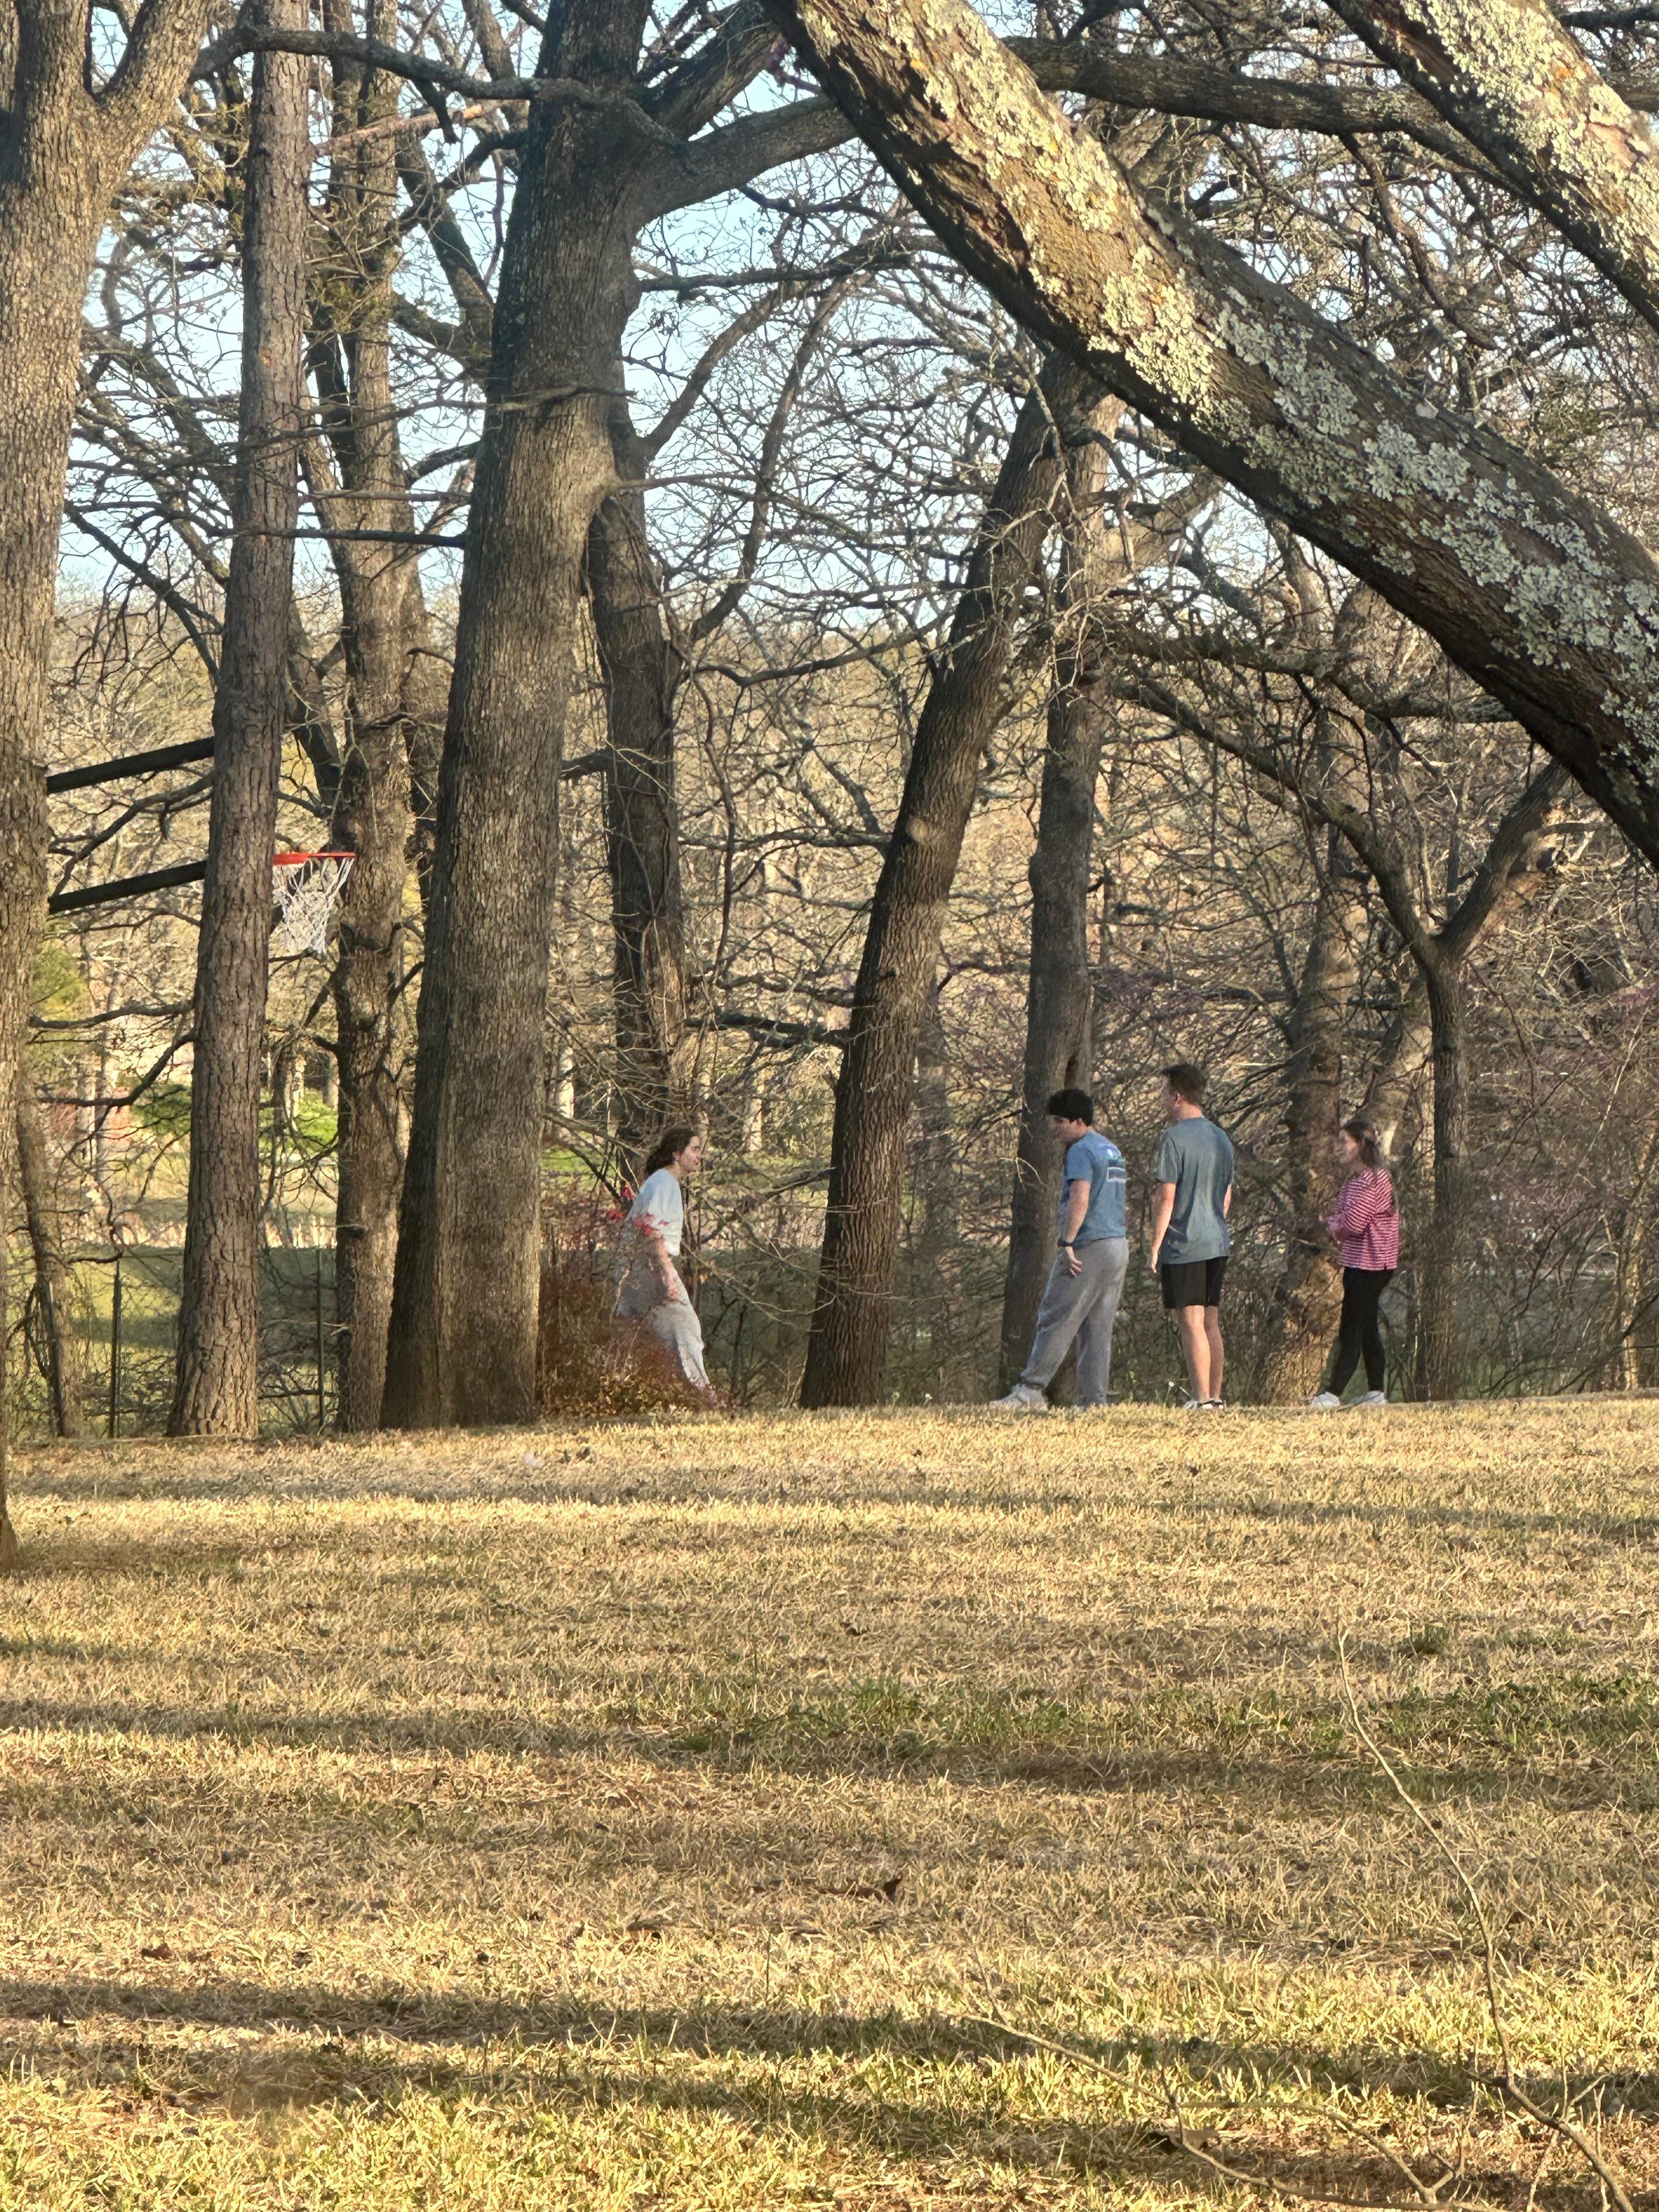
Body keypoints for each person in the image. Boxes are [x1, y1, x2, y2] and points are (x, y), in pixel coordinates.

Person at [992, 1088, 1129, 1411]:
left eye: (1059, 1121)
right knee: (1098, 1325)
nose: (1053, 1128)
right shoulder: (1112, 1150)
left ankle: (1031, 1391)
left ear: (1079, 1121)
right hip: (1117, 1245)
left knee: (1056, 1315)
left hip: (1088, 1246)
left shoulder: (1081, 1151)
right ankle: (1093, 1402)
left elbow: (1080, 1197)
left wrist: (1067, 1242)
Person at [1148, 1063, 1234, 1409]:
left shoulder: (1173, 1139)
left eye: (1165, 1093)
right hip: (1217, 1238)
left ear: (1177, 1096)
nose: (1162, 1100)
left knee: (1191, 1321)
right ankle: (1214, 1397)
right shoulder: (1221, 1137)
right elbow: (1227, 1194)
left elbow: (1166, 1196)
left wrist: (1155, 1246)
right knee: (1211, 1321)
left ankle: (1200, 1400)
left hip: (1186, 1242)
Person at [617, 1125, 716, 1400]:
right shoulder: (664, 1183)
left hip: (637, 1272)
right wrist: (667, 1276)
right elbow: (651, 1232)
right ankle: (702, 1398)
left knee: (637, 1334)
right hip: (649, 1270)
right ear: (676, 1154)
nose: (699, 1156)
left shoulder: (664, 1183)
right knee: (686, 1329)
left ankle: (637, 1394)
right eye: (694, 1149)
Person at [1309, 1117, 1398, 1410]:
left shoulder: (1372, 1181)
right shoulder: (1357, 1181)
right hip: (1359, 1262)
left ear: (1360, 1145)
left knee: (1352, 1326)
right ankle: (1376, 1392)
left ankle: (1333, 1394)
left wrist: (1332, 1225)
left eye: (1344, 1142)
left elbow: (1353, 1224)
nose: (1338, 1148)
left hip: (1371, 1265)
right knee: (1368, 1325)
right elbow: (1345, 1220)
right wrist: (1337, 1224)